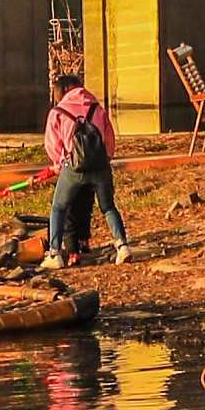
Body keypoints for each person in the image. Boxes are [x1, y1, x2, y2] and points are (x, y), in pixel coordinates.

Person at [44, 53, 131, 266]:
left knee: (59, 208)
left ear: (60, 93)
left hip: (74, 166)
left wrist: (60, 163)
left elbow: (52, 143)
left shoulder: (58, 111)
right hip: (100, 165)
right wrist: (106, 158)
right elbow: (109, 138)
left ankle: (55, 254)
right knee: (108, 207)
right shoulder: (97, 108)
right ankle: (122, 246)